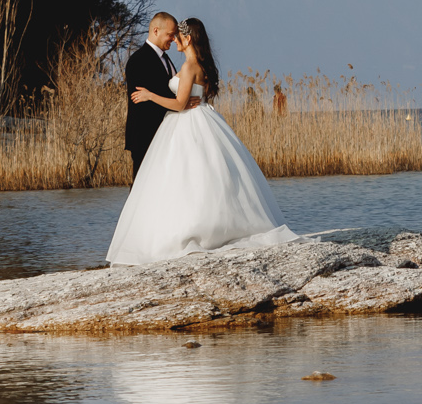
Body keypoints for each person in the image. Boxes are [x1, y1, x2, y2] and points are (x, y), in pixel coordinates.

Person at [105, 16, 297, 265]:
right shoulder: (186, 64)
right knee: (200, 176)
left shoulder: (187, 66)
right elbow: (182, 96)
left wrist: (152, 96)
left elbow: (179, 102)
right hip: (176, 125)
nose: (174, 40)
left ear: (188, 39)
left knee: (187, 178)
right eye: (171, 35)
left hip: (185, 122)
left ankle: (181, 233)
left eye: (178, 36)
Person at [123, 13, 182, 177]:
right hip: (145, 137)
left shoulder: (165, 59)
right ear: (156, 31)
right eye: (170, 34)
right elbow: (142, 101)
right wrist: (181, 103)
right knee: (142, 185)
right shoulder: (139, 60)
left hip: (165, 135)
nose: (173, 39)